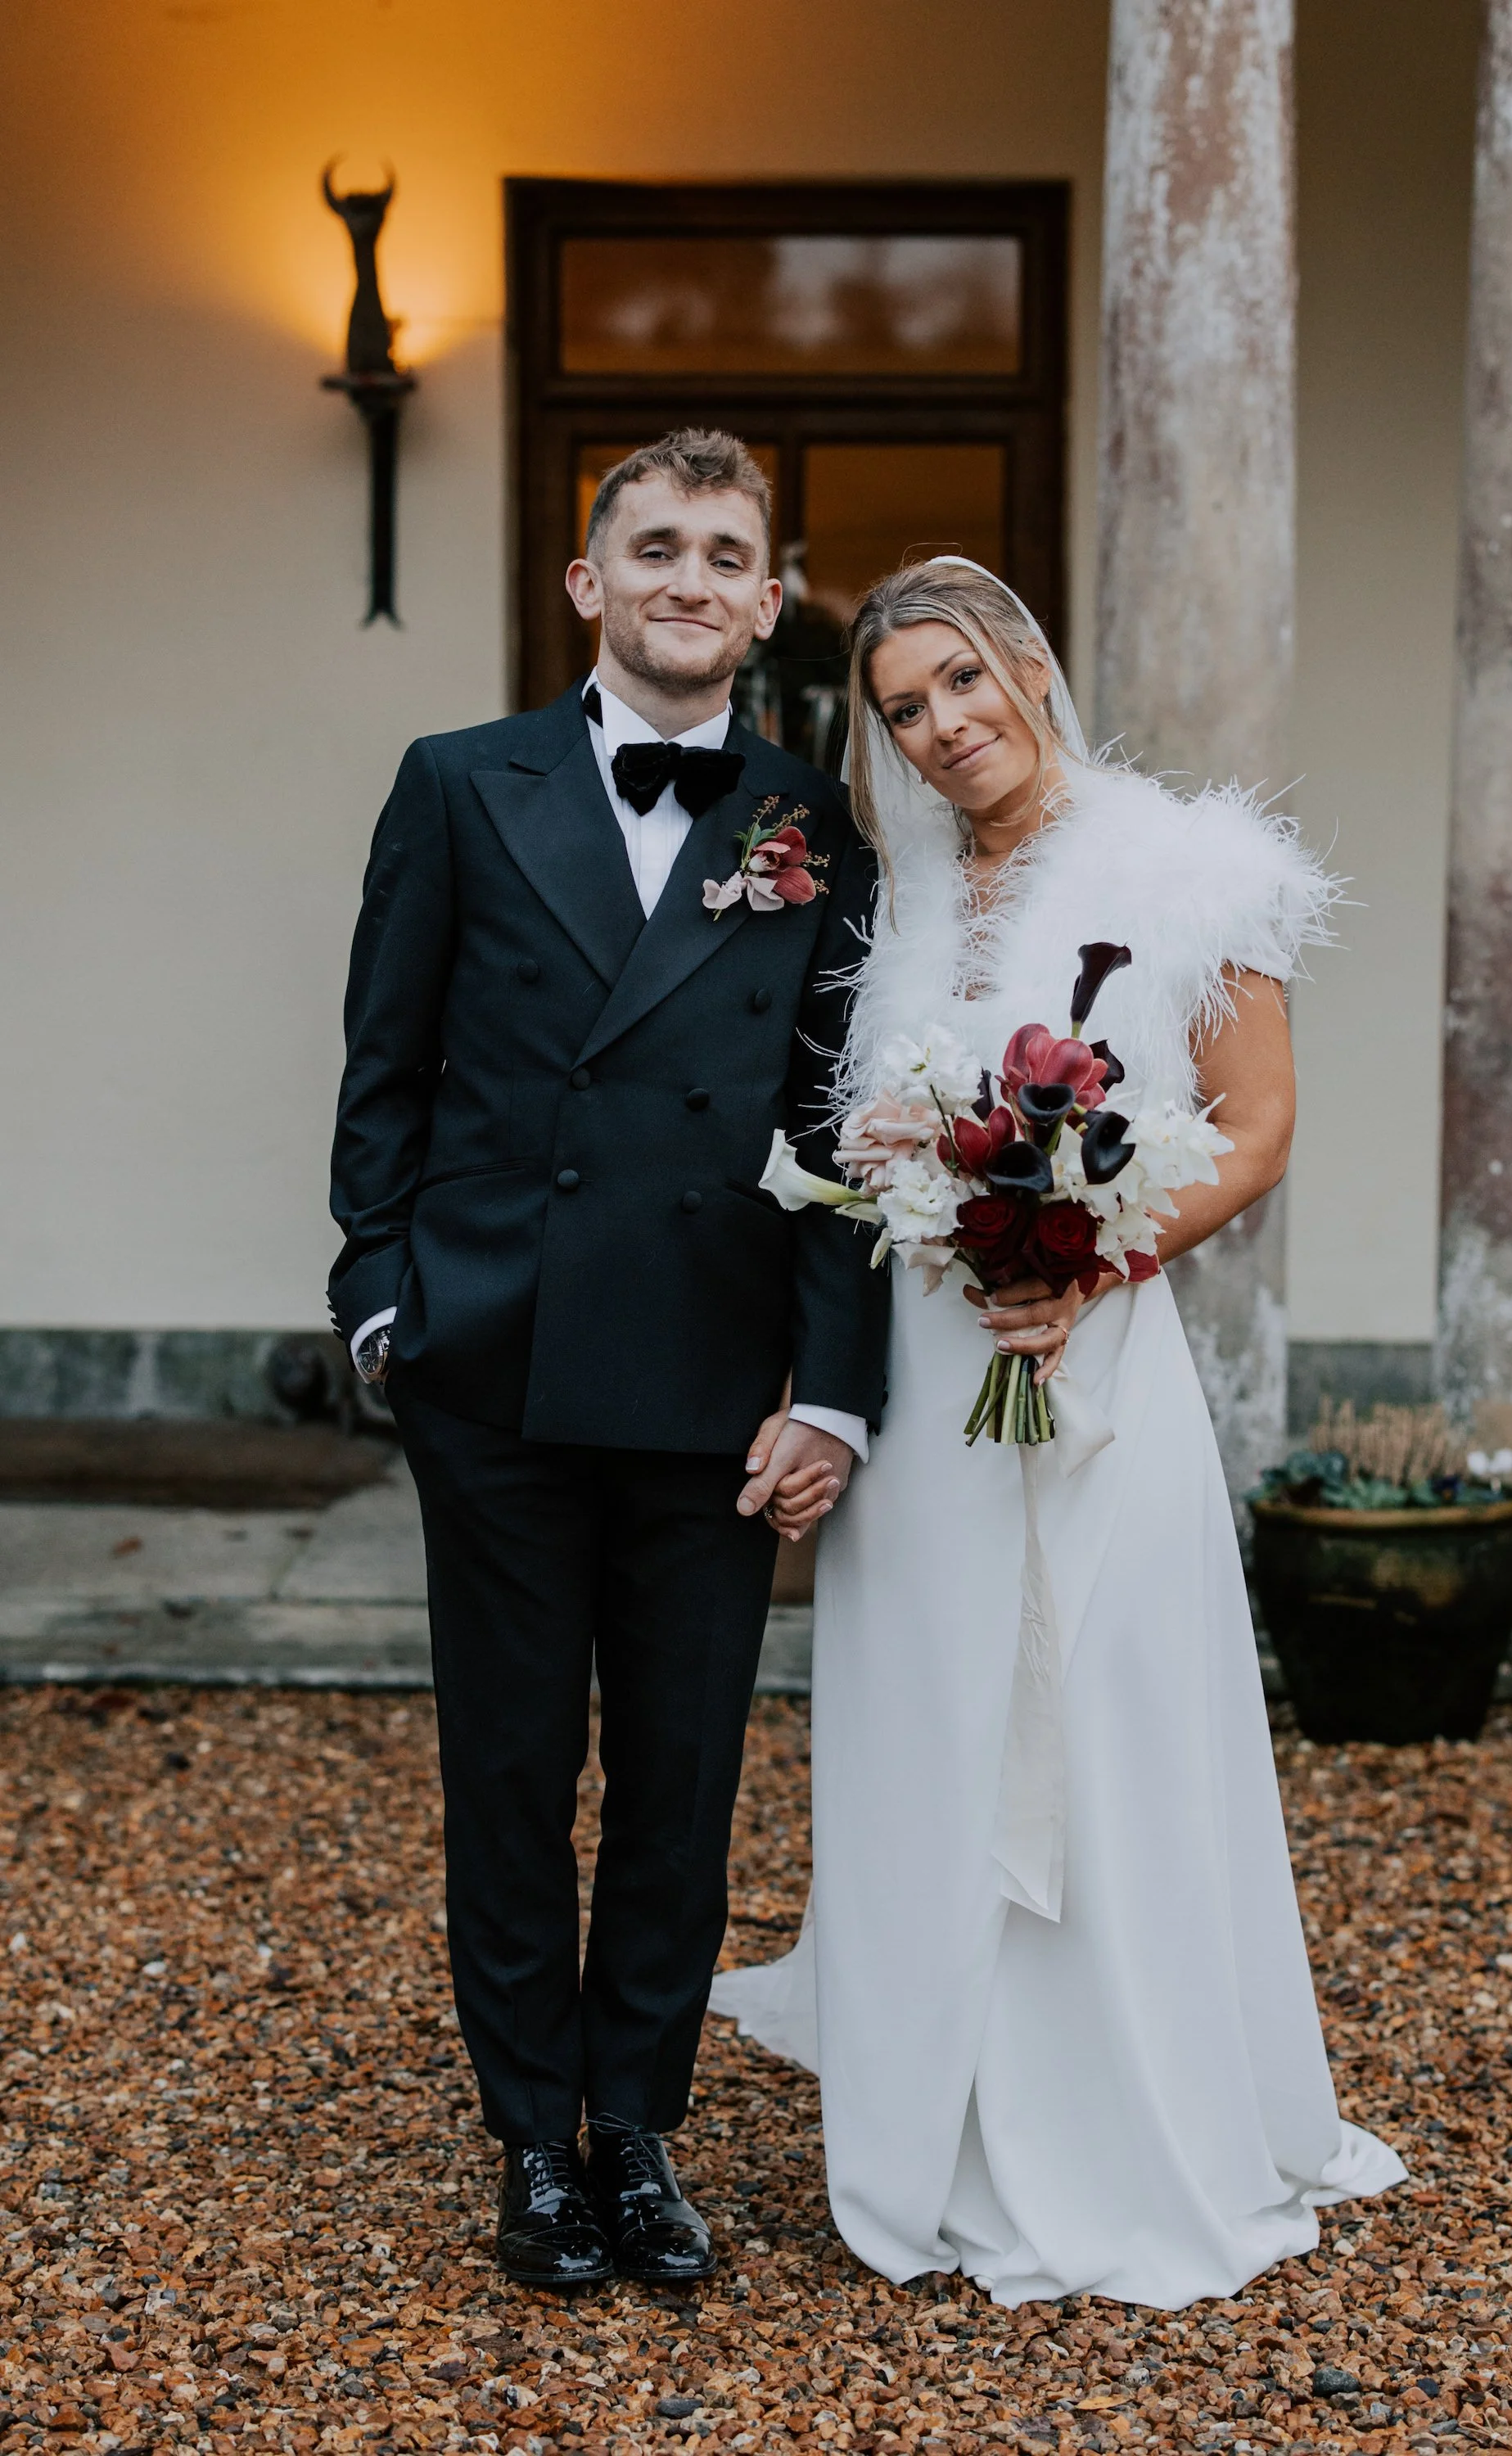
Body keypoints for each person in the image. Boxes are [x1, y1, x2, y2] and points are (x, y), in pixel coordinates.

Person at [711, 558, 1406, 2309]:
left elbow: (1256, 1125)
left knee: (1104, 1711)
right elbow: (870, 1141)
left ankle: (1119, 2114)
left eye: (962, 681)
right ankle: (937, 2112)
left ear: (1028, 665)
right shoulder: (897, 904)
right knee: (938, 1714)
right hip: (933, 1371)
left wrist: (1097, 1259)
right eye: (903, 710)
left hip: (1093, 1359)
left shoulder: (1187, 869)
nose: (942, 727)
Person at [328, 430, 890, 2289]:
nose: (687, 580)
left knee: (681, 1775)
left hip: (714, 1383)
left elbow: (838, 1121)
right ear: (589, 580)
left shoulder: (815, 821)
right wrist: (382, 1295)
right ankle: (530, 2138)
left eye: (725, 555)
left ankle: (635, 2126)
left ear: (768, 600)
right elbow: (386, 1063)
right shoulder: (458, 782)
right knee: (508, 1769)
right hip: (493, 1359)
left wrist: (831, 1388)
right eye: (655, 546)